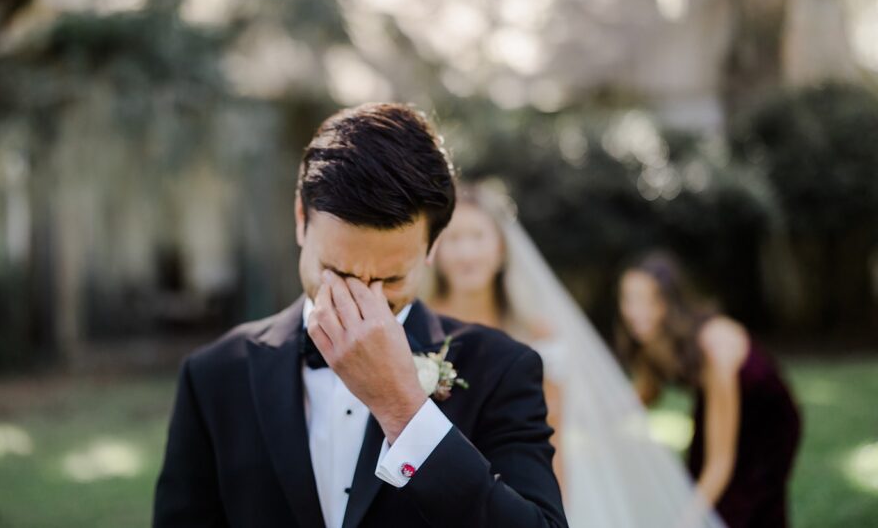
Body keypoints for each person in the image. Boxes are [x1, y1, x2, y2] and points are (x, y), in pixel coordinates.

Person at [152, 103, 567, 528]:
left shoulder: (501, 370)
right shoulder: (214, 376)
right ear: (301, 218)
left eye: (389, 279)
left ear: (432, 248)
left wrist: (402, 410)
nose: (363, 302)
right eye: (338, 273)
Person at [431, 182, 724, 528]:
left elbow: (551, 433)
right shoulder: (423, 325)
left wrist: (557, 507)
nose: (466, 253)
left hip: (518, 493)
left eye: (477, 237)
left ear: (501, 247)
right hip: (439, 488)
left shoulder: (537, 333)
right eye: (453, 239)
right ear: (434, 250)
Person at [617, 250, 802, 528]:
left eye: (648, 299)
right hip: (715, 405)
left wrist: (686, 520)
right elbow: (646, 393)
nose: (634, 312)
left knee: (735, 507)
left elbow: (720, 463)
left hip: (767, 425)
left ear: (670, 301)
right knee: (692, 484)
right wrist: (594, 418)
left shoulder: (714, 350)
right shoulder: (652, 339)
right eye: (628, 299)